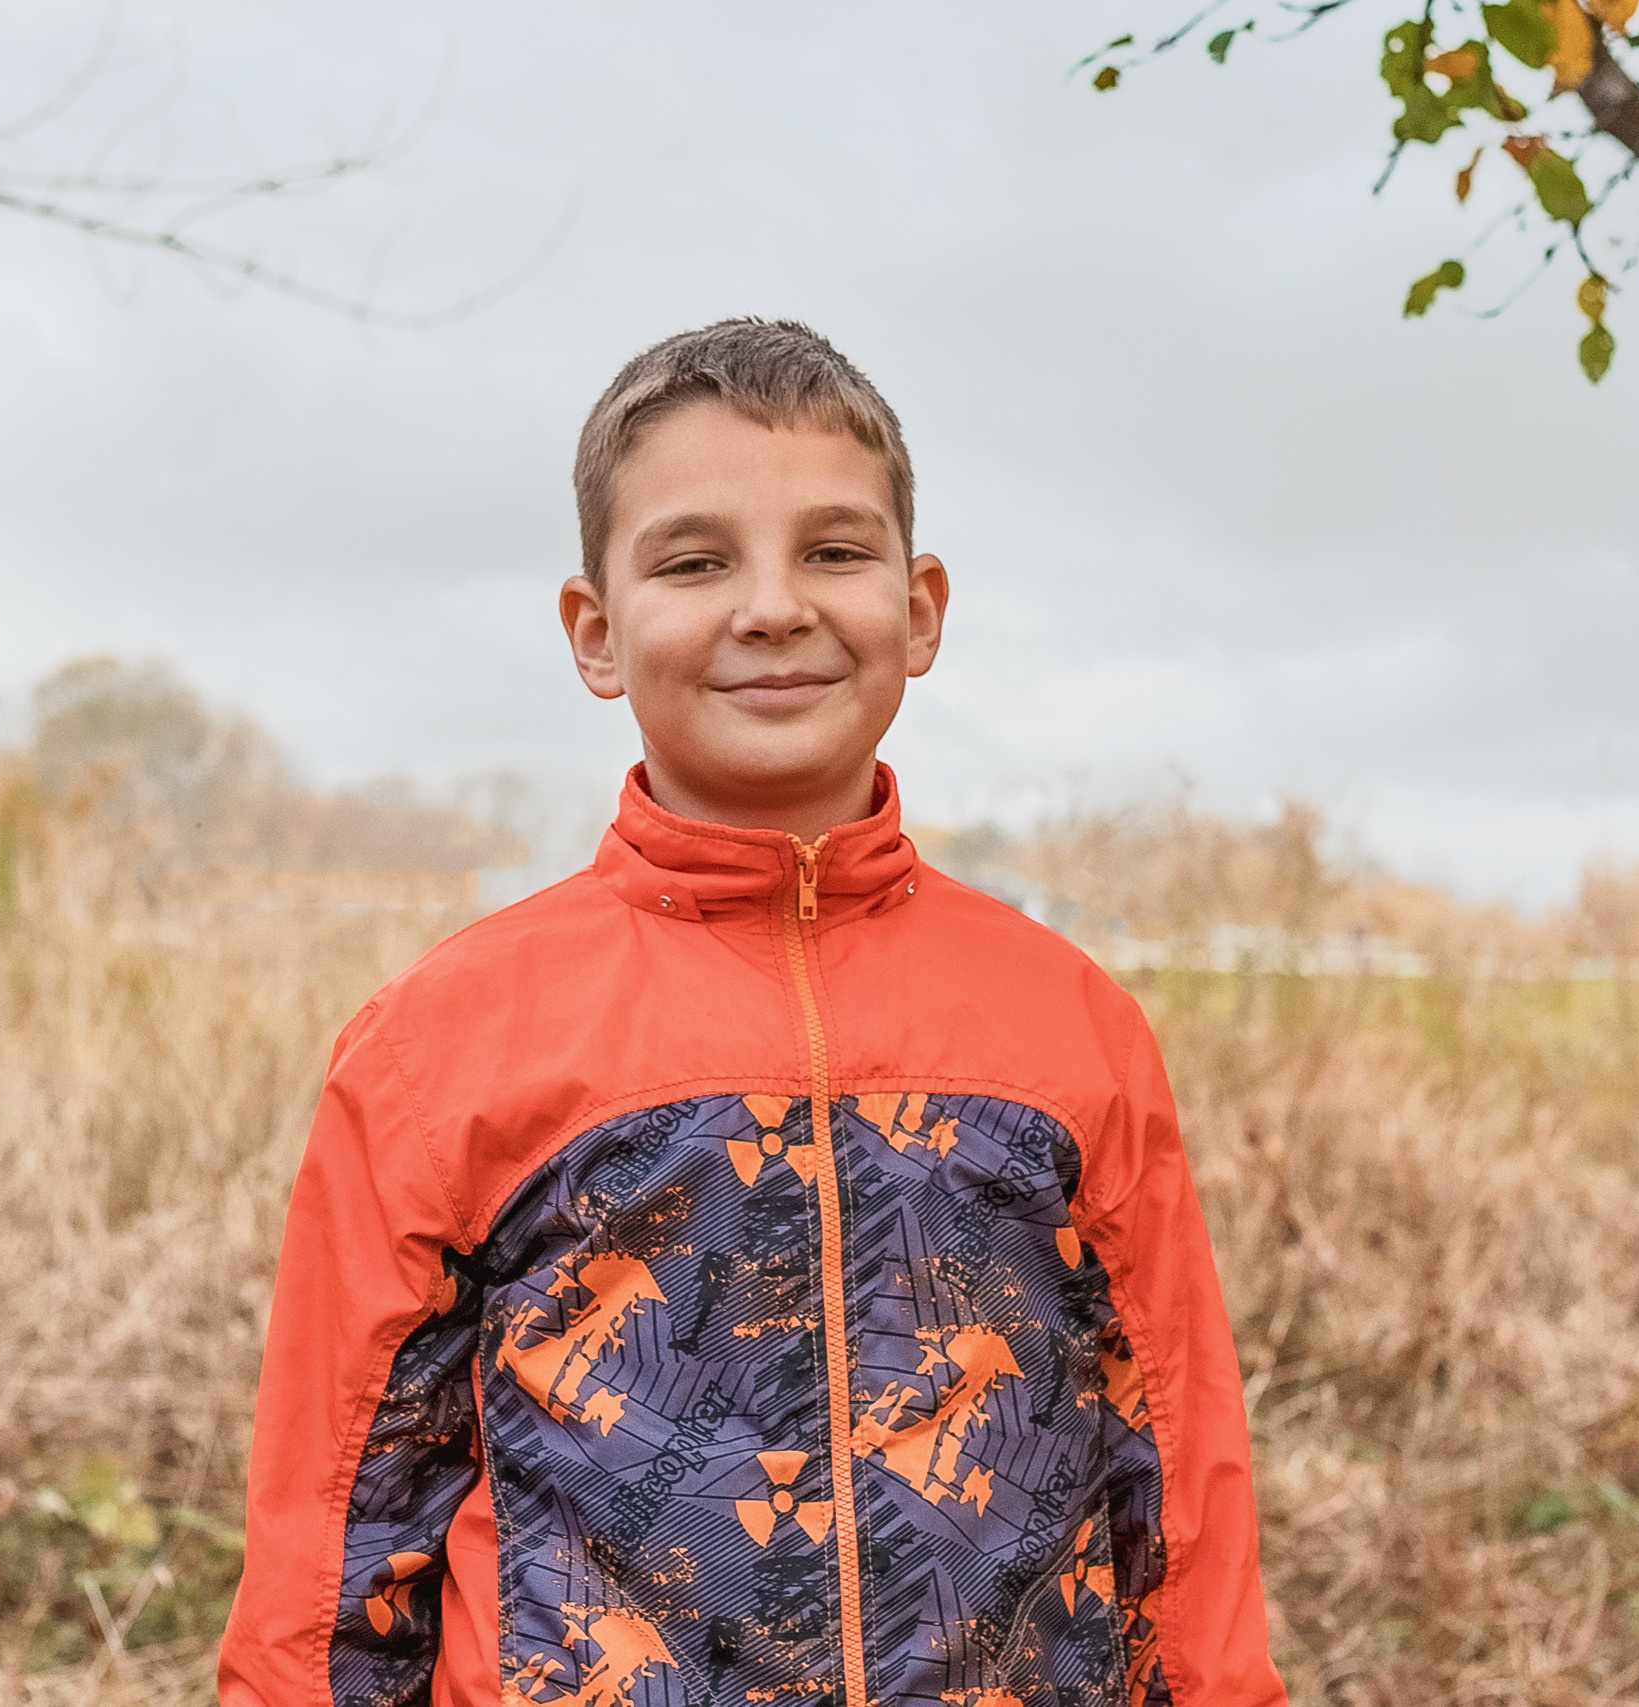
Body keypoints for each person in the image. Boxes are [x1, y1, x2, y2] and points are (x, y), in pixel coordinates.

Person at [217, 319, 1285, 1707]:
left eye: (834, 552)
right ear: (596, 633)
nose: (774, 606)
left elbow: (1178, 1479)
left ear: (921, 609)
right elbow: (335, 1530)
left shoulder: (1071, 1027)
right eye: (694, 559)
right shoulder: (443, 1045)